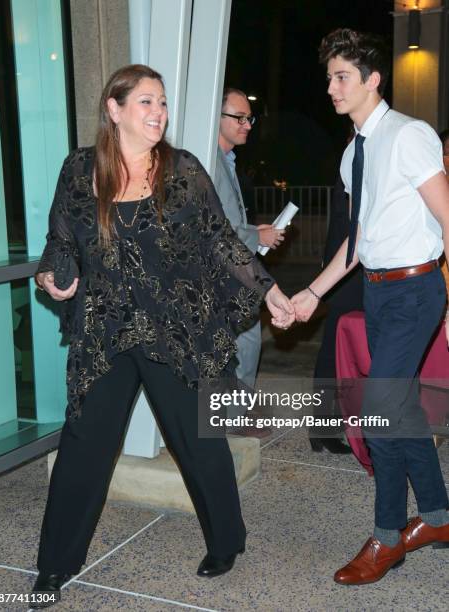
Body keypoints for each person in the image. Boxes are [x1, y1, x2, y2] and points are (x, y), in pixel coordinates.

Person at [31, 64, 295, 607]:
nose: (159, 113)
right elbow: (60, 240)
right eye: (147, 102)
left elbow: (222, 242)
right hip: (105, 331)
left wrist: (269, 292)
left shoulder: (183, 171)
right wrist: (52, 277)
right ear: (115, 109)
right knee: (84, 445)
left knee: (197, 442)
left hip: (173, 330)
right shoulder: (80, 171)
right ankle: (54, 565)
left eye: (163, 103)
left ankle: (226, 540)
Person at [292, 29, 449, 585]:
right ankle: (437, 516)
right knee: (399, 410)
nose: (332, 88)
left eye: (342, 78)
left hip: (415, 288)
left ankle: (387, 540)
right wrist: (313, 292)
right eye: (329, 78)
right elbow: (358, 241)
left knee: (380, 418)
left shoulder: (410, 136)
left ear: (372, 80)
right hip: (379, 289)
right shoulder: (350, 153)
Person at [215, 88, 285, 437]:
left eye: (249, 118)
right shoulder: (208, 163)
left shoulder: (226, 159)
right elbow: (217, 229)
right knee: (243, 341)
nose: (247, 125)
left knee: (245, 341)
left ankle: (237, 413)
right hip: (224, 272)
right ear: (218, 117)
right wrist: (257, 237)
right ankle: (233, 417)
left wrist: (253, 230)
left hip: (235, 268)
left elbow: (227, 220)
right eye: (239, 118)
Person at [309, 172, 361, 454]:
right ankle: (322, 427)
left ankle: (328, 426)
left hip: (353, 272)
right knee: (335, 352)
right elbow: (351, 224)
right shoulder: (354, 159)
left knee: (343, 352)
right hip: (348, 274)